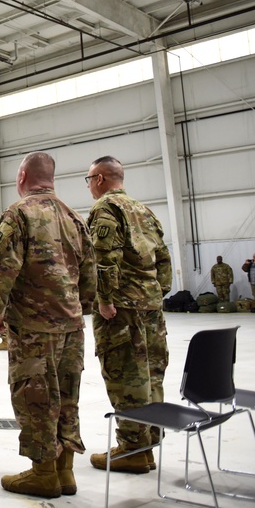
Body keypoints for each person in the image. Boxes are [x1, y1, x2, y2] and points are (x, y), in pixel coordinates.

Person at [0, 151, 97, 499]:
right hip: (72, 326)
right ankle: (66, 472)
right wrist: (81, 308)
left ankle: (43, 472)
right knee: (66, 396)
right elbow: (91, 271)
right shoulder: (74, 216)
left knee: (35, 395)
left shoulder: (19, 214)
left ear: (22, 176)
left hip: (34, 328)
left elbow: (2, 264)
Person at [85, 155, 172, 474]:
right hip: (150, 304)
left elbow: (104, 259)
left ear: (99, 179)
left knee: (125, 372)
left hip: (122, 306)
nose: (90, 185)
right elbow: (163, 256)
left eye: (89, 179)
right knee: (152, 370)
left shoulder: (106, 208)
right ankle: (147, 442)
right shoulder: (142, 209)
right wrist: (158, 291)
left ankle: (132, 449)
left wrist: (105, 300)